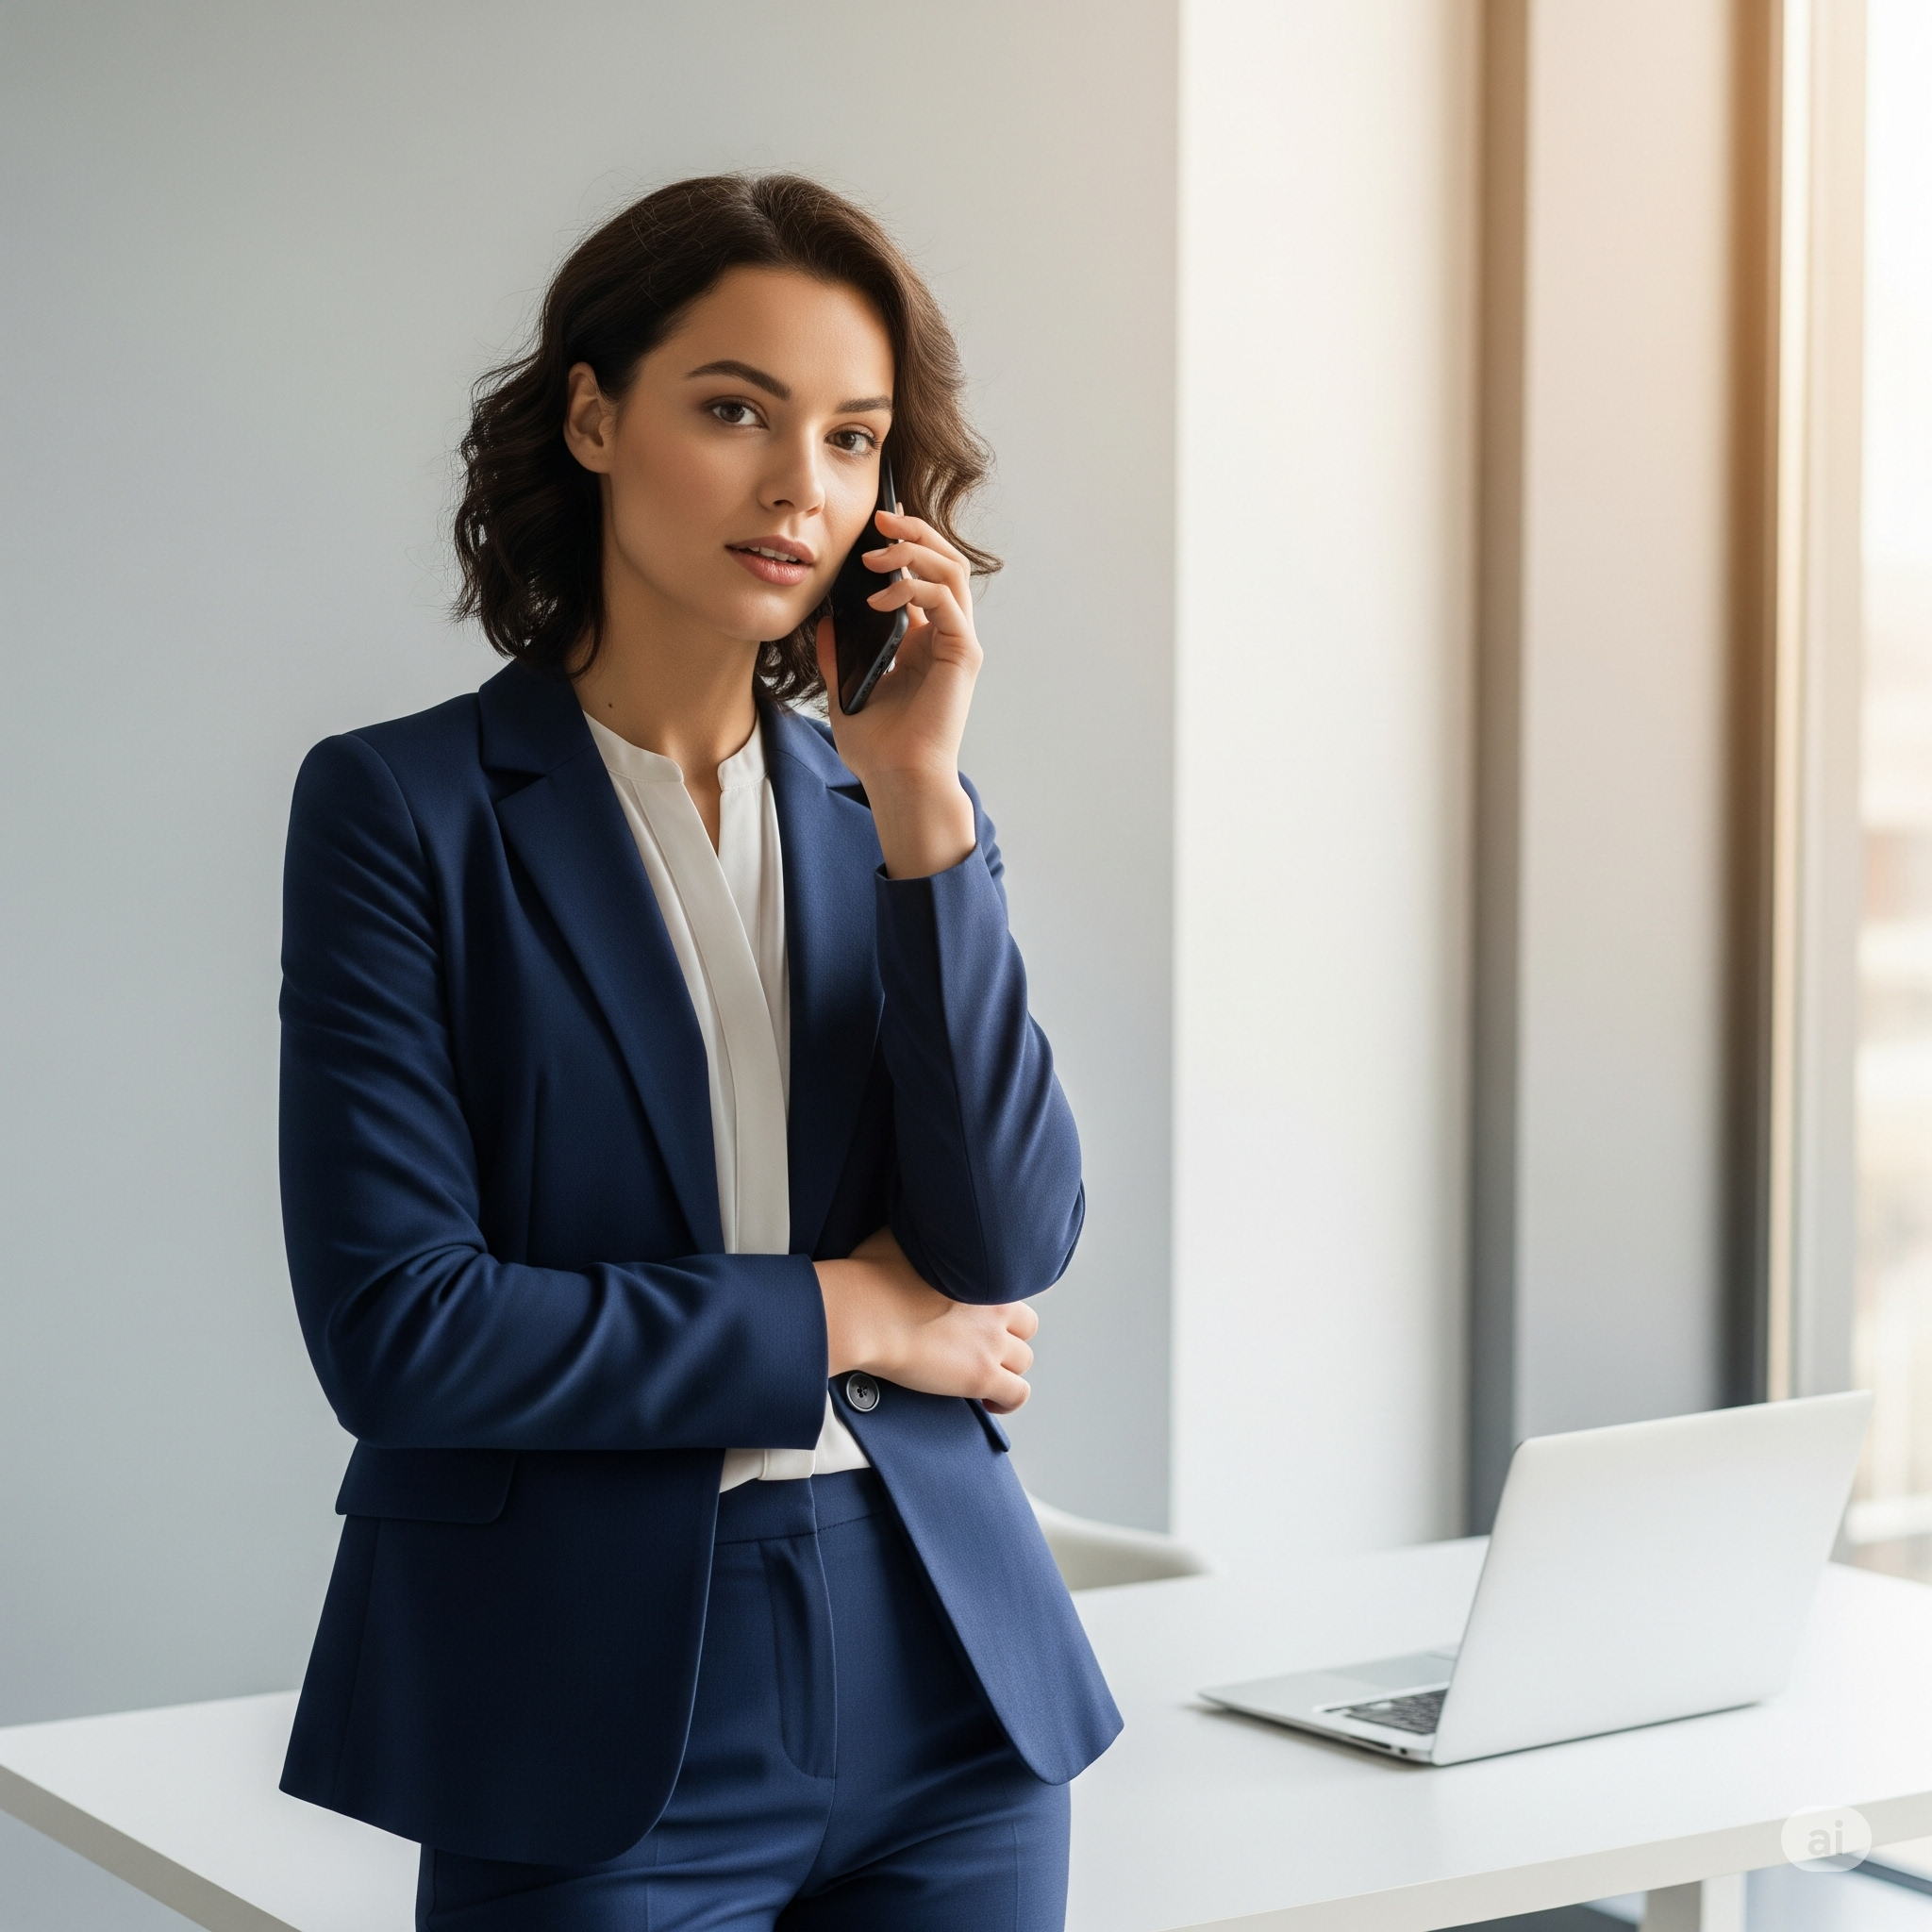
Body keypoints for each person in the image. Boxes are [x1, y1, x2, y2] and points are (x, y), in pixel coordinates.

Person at [275, 173, 1121, 1931]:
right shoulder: (404, 811)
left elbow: (1010, 1245)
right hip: (595, 1707)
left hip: (948, 1676)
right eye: (734, 409)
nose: (798, 487)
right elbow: (408, 1332)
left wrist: (920, 798)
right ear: (593, 415)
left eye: (852, 437)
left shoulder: (894, 812)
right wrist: (854, 1315)